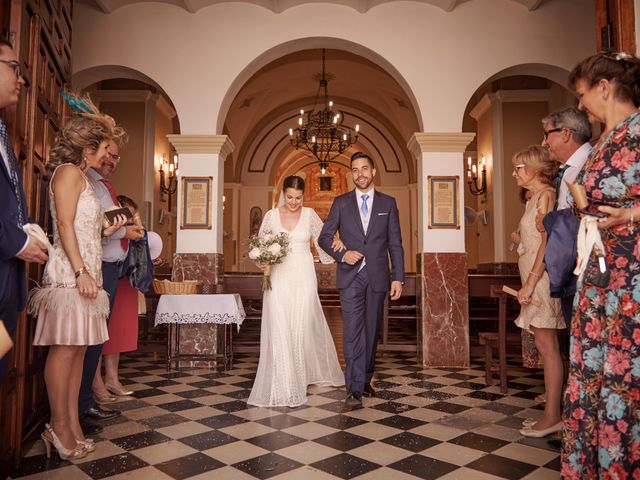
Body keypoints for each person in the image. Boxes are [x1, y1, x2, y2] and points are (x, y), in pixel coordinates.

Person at [28, 97, 127, 460]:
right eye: (105, 149)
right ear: (87, 148)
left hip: (89, 274)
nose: (108, 157)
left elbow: (82, 228)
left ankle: (71, 424)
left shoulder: (82, 178)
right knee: (65, 351)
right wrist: (81, 272)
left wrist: (105, 229)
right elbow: (65, 226)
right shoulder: (69, 173)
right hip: (72, 277)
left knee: (78, 351)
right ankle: (59, 424)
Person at [561, 51, 640, 479]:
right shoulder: (604, 139)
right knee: (592, 369)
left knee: (623, 372)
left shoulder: (639, 130)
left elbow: (627, 204)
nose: (579, 106)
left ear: (605, 87)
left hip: (631, 275)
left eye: (582, 94)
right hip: (599, 273)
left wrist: (629, 215)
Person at [247, 175, 344, 407]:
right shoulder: (271, 216)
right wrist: (262, 262)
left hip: (303, 276)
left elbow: (325, 241)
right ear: (283, 193)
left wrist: (339, 245)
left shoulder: (309, 215)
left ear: (304, 196)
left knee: (300, 326)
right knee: (280, 325)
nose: (293, 202)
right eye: (289, 197)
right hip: (278, 277)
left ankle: (298, 380)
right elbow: (260, 247)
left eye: (298, 198)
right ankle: (283, 383)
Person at [318, 152, 404, 407]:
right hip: (351, 276)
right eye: (355, 170)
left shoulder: (388, 203)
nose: (360, 174)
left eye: (364, 169)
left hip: (378, 276)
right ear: (351, 174)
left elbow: (395, 243)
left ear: (373, 171)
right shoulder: (341, 203)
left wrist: (397, 277)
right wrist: (343, 254)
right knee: (353, 331)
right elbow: (324, 238)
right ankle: (353, 387)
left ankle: (365, 379)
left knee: (371, 330)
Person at [80, 141, 144, 429]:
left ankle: (86, 400)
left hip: (110, 266)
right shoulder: (83, 181)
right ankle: (84, 401)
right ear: (89, 149)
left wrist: (126, 230)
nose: (113, 160)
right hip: (96, 267)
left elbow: (105, 227)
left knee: (97, 334)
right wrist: (118, 229)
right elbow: (88, 224)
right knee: (90, 336)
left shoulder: (103, 185)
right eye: (109, 153)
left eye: (117, 156)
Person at [0, 39, 48, 384]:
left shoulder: (3, 133)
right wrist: (16, 240)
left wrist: (28, 229)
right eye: (14, 68)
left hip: (7, 280)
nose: (21, 79)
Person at [511, 145, 565, 438]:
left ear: (535, 169)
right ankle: (551, 408)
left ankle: (552, 416)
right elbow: (534, 239)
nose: (514, 173)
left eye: (519, 167)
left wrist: (531, 283)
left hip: (540, 282)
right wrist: (520, 238)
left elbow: (547, 244)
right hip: (532, 279)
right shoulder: (533, 199)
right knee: (545, 347)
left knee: (549, 347)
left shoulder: (546, 195)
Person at [540, 107, 592, 324]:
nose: (544, 143)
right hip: (569, 265)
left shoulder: (589, 164)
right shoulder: (568, 169)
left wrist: (548, 221)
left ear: (566, 133)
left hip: (584, 267)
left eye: (547, 134)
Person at [95, 195, 142, 399]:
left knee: (114, 330)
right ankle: (95, 382)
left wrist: (135, 222)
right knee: (97, 330)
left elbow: (139, 235)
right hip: (102, 268)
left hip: (121, 272)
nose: (130, 223)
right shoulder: (106, 220)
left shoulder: (128, 227)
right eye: (128, 217)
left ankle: (112, 378)